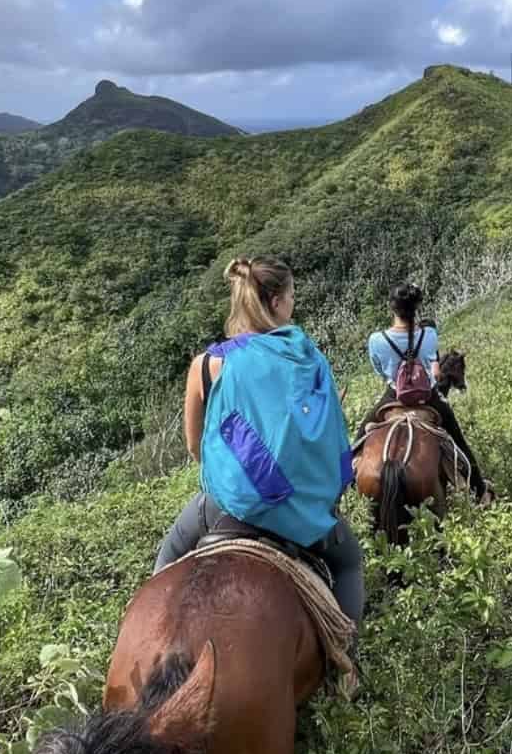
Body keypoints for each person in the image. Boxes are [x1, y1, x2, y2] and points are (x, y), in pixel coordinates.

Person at [154, 257, 365, 626]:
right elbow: (328, 433)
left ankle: (151, 634)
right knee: (349, 563)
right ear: (275, 303)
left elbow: (195, 448)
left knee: (168, 556)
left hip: (228, 507)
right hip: (304, 514)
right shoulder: (307, 356)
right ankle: (347, 668)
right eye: (292, 295)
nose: (293, 303)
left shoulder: (207, 365)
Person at [357, 283, 489, 500]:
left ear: (392, 307)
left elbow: (379, 369)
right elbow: (432, 364)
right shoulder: (429, 335)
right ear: (417, 308)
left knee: (359, 439)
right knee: (459, 441)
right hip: (428, 397)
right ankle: (479, 491)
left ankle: (343, 488)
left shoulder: (376, 339)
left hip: (393, 395)